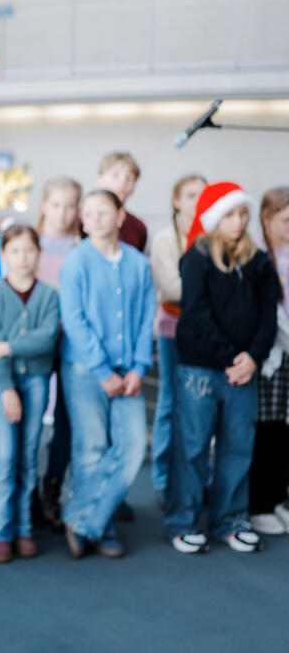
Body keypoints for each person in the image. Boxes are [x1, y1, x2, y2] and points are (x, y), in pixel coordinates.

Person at [165, 182, 280, 554]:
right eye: (230, 214)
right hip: (201, 369)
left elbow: (268, 314)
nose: (238, 221)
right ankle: (182, 522)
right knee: (193, 446)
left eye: (243, 214)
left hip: (244, 371)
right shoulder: (196, 257)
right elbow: (196, 314)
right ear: (215, 217)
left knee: (237, 447)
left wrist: (253, 357)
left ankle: (230, 520)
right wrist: (233, 357)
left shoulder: (258, 260)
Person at [59, 189, 155, 560]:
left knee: (131, 448)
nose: (96, 219)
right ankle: (102, 526)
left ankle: (81, 519)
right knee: (92, 449)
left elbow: (146, 315)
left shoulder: (136, 263)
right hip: (86, 370)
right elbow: (75, 320)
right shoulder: (77, 262)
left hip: (128, 370)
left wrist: (137, 367)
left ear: (120, 216)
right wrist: (102, 370)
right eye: (89, 213)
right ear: (83, 221)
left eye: (104, 211)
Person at [0, 225, 60, 562]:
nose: (23, 257)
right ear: (3, 255)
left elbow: (46, 340)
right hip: (3, 384)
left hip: (38, 382)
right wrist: (8, 389)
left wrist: (7, 346)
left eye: (29, 250)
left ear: (39, 253)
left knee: (28, 456)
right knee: (6, 457)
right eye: (15, 251)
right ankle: (0, 530)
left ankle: (24, 528)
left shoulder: (49, 295)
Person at [149, 174, 207, 500]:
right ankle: (161, 478)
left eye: (202, 195)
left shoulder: (212, 235)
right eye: (189, 195)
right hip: (173, 330)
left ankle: (198, 479)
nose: (196, 201)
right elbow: (170, 288)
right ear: (176, 201)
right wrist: (212, 291)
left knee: (201, 407)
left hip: (206, 334)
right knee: (169, 403)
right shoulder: (164, 238)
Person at [34, 176, 81, 527]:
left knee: (66, 420)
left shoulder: (83, 248)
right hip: (35, 343)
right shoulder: (29, 245)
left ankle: (53, 486)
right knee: (30, 416)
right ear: (43, 206)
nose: (63, 213)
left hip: (71, 343)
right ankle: (24, 492)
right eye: (56, 204)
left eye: (70, 205)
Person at [251, 186, 289, 534]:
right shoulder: (258, 257)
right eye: (286, 220)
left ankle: (280, 499)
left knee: (285, 431)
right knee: (268, 428)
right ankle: (260, 503)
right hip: (271, 355)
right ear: (267, 220)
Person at [96, 151, 147, 252]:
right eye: (115, 175)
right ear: (99, 179)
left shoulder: (138, 227)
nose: (122, 182)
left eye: (130, 178)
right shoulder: (80, 221)